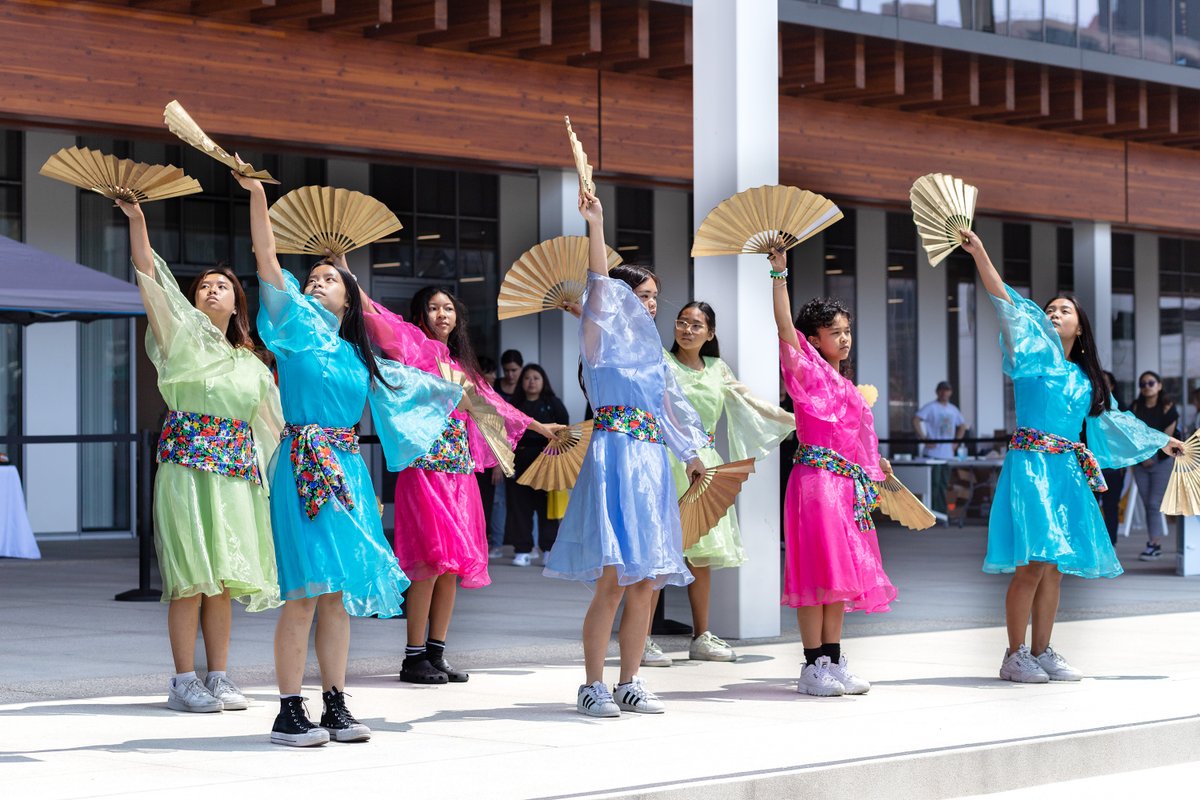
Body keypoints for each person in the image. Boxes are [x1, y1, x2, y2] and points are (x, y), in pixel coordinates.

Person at [239, 173, 461, 746]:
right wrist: (258, 198)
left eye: (329, 278)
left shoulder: (356, 351)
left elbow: (411, 384)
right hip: (302, 461)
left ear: (349, 296)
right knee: (307, 589)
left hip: (347, 467)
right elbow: (266, 257)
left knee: (337, 594)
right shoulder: (292, 325)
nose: (317, 281)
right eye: (312, 275)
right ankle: (289, 708)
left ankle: (335, 701)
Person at [960, 229, 1183, 683]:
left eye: (1064, 310)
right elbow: (1004, 299)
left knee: (1055, 570)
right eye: (1049, 309)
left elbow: (1115, 422)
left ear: (1079, 327)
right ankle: (1014, 653)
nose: (1053, 313)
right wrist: (980, 252)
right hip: (1032, 466)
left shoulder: (1087, 380)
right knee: (1032, 564)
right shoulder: (1029, 355)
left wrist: (1163, 440)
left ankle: (1042, 651)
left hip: (1067, 471)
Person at [544, 189, 707, 718]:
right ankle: (592, 684)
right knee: (614, 578)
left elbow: (674, 408)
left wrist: (693, 453)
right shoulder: (599, 340)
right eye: (645, 294)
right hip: (613, 455)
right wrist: (597, 226)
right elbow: (597, 286)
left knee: (649, 580)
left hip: (652, 463)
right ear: (620, 299)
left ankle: (630, 680)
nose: (654, 303)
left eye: (657, 296)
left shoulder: (655, 357)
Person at [117, 198, 283, 715]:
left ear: (238, 303)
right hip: (187, 469)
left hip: (236, 476)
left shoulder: (253, 364)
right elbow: (149, 273)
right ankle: (183, 679)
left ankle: (220, 675)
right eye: (204, 287)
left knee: (225, 580)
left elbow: (273, 429)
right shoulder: (178, 339)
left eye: (223, 287)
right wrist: (138, 221)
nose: (212, 291)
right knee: (192, 575)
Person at [363, 289, 562, 685]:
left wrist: (541, 427)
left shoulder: (460, 365)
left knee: (451, 566)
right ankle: (413, 656)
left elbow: (495, 405)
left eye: (449, 308)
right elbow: (374, 314)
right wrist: (348, 271)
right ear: (420, 313)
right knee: (428, 563)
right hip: (424, 469)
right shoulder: (410, 345)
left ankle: (435, 653)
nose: (442, 314)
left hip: (458, 472)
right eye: (434, 308)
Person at [769, 248, 894, 697]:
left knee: (840, 577)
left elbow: (859, 441)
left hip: (846, 486)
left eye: (847, 331)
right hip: (815, 483)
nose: (843, 339)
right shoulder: (807, 372)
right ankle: (811, 665)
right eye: (833, 332)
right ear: (814, 339)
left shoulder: (846, 385)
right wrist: (779, 272)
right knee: (816, 575)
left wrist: (874, 467)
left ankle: (834, 658)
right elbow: (785, 327)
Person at [643, 301, 794, 666]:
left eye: (697, 325)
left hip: (705, 464)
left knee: (701, 556)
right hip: (666, 460)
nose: (687, 330)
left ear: (710, 334)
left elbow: (752, 403)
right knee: (657, 554)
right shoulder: (659, 360)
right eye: (682, 322)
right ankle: (642, 637)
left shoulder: (717, 368)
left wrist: (794, 419)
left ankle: (702, 636)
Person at [506, 363, 570, 566]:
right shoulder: (514, 405)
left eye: (536, 378)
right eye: (527, 378)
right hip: (520, 462)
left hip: (547, 462)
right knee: (520, 508)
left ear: (543, 381)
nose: (531, 382)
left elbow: (566, 433)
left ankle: (549, 549)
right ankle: (522, 550)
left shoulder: (553, 403)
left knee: (547, 510)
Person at [1129, 370, 1179, 561]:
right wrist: (1142, 458)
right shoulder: (1135, 407)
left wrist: (1152, 456)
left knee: (1153, 503)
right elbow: (1132, 436)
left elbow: (1168, 438)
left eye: (1151, 383)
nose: (1147, 387)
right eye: (1143, 384)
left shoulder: (1168, 407)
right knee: (1148, 503)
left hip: (1162, 462)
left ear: (1159, 385)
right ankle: (1153, 544)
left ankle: (1154, 544)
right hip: (1141, 462)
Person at [912, 381, 967, 515]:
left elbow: (963, 426)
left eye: (947, 390)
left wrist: (956, 442)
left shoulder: (953, 409)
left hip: (947, 453)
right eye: (942, 390)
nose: (944, 393)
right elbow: (915, 420)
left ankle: (941, 512)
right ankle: (932, 512)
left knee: (943, 484)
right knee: (933, 484)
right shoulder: (931, 407)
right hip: (933, 453)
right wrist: (924, 438)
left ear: (950, 392)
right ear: (937, 392)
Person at [476, 356, 506, 558]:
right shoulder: (469, 395)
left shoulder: (496, 398)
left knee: (486, 505)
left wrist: (497, 464)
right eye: (489, 371)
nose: (494, 376)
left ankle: (483, 546)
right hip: (470, 459)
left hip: (488, 463)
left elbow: (501, 433)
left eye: (494, 372)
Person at [1096, 371, 1125, 545]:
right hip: (1089, 465)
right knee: (1089, 507)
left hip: (1113, 467)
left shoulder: (1120, 409)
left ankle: (1110, 545)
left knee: (1110, 507)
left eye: (1104, 382)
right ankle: (1093, 547)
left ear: (1112, 385)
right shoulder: (1085, 407)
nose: (1100, 384)